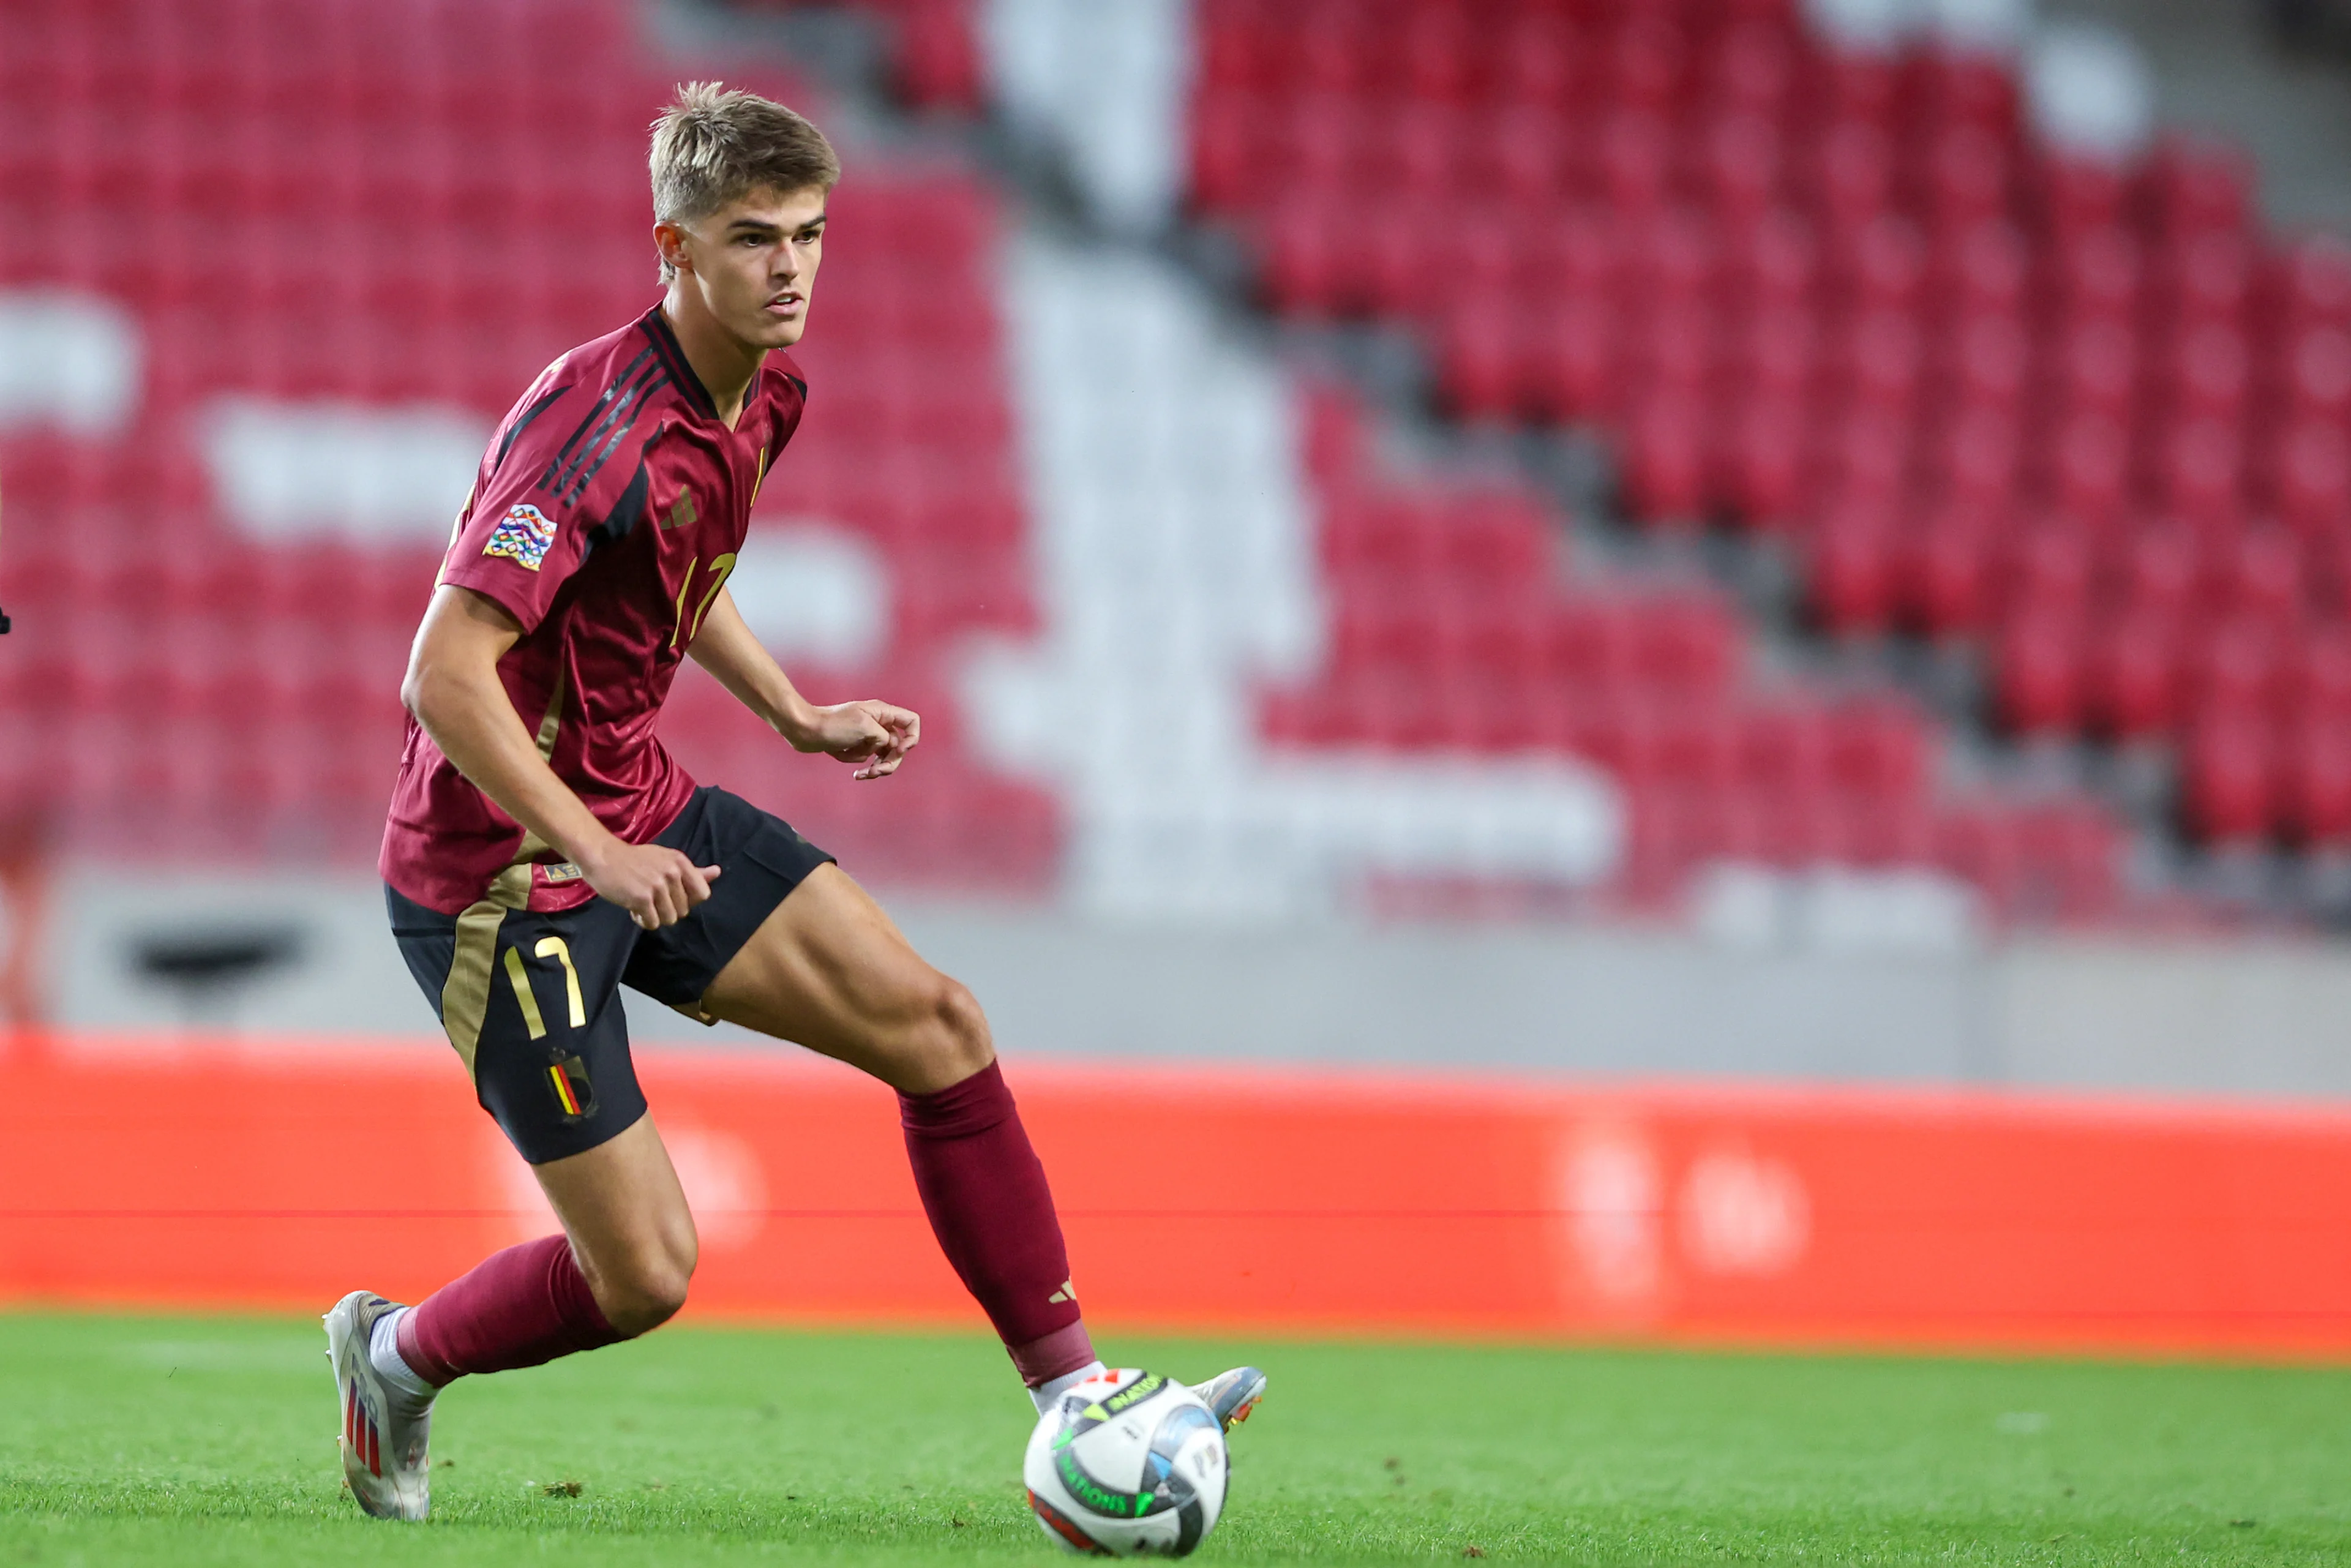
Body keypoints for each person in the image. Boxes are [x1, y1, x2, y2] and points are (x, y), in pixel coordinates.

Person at [325, 81, 1262, 1522]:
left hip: (638, 808)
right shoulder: (593, 429)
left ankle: (1075, 1389)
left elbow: (674, 572)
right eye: (753, 237)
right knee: (643, 1274)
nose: (790, 267)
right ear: (671, 248)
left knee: (938, 1024)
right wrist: (600, 854)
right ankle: (392, 1356)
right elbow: (444, 676)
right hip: (503, 871)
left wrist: (794, 714)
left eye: (811, 235)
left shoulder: (765, 394)